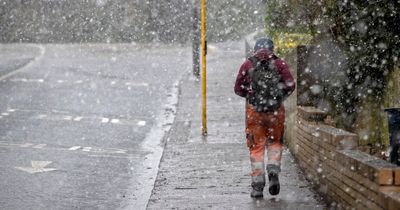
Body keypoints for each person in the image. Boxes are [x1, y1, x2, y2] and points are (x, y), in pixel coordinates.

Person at [234, 37, 295, 197]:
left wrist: (251, 95)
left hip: (254, 112)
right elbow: (290, 85)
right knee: (275, 142)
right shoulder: (279, 63)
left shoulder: (248, 64)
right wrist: (278, 97)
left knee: (256, 147)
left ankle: (258, 184)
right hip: (276, 111)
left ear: (255, 49)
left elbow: (237, 88)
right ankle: (273, 170)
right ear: (272, 48)